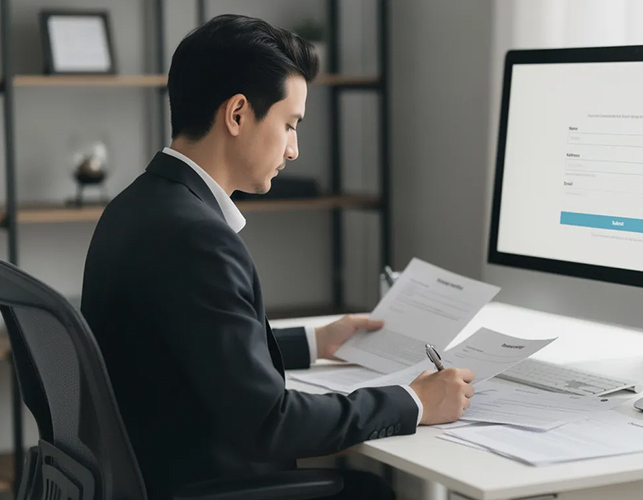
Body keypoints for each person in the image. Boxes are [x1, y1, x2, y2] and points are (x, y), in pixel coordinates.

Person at [80, 14, 474, 500]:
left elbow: (195, 342)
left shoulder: (138, 206)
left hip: (152, 469)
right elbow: (270, 423)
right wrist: (413, 401)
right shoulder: (198, 239)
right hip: (201, 483)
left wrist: (316, 341)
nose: (294, 150)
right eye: (289, 125)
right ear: (238, 114)